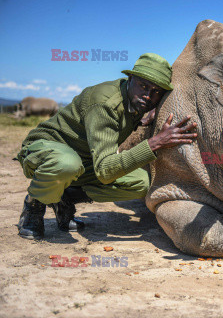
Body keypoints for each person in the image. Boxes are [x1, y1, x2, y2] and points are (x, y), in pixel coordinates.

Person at [16, 53, 197, 239]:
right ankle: (34, 205)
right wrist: (155, 142)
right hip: (45, 150)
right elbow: (105, 170)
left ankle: (64, 197)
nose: (148, 96)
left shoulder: (132, 102)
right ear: (131, 78)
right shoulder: (105, 104)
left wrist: (140, 121)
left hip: (83, 161)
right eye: (143, 86)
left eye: (156, 92)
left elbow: (113, 126)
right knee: (67, 164)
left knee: (141, 182)